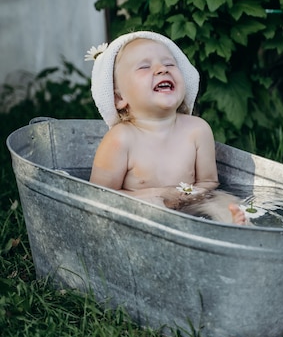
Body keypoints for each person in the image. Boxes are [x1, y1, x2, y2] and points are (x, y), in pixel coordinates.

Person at [86, 30, 248, 224]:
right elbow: (98, 196)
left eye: (169, 63)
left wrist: (192, 195)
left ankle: (240, 230)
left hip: (191, 209)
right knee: (154, 203)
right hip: (138, 219)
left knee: (224, 201)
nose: (162, 69)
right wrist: (159, 195)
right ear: (120, 98)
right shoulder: (121, 139)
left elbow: (209, 182)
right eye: (144, 67)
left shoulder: (197, 129)